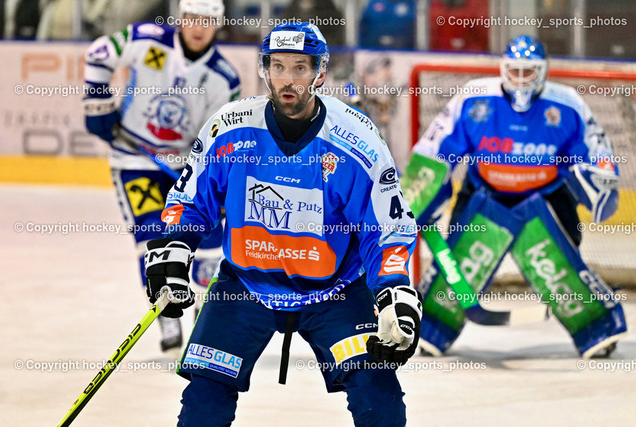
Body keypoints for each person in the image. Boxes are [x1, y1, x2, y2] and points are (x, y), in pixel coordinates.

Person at [143, 22, 421, 426]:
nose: (287, 79)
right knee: (203, 402)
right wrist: (175, 246)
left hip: (336, 291)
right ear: (265, 69)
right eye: (278, 66)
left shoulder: (356, 141)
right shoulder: (231, 127)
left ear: (320, 73)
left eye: (299, 68)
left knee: (380, 401)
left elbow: (385, 227)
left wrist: (394, 291)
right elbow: (191, 199)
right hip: (245, 285)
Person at [404, 35, 627, 359]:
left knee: (558, 267)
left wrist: (599, 175)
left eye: (529, 71)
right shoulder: (474, 98)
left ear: (543, 71)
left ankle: (597, 326)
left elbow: (595, 149)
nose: (521, 79)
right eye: (515, 71)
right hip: (485, 193)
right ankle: (431, 327)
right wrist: (420, 194)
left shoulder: (566, 104)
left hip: (547, 196)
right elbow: (435, 149)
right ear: (503, 69)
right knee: (464, 261)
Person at [83, 0, 240, 355]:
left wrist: (215, 182)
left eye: (208, 20)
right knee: (152, 236)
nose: (199, 27)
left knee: (209, 242)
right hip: (134, 160)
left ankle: (203, 310)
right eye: (192, 18)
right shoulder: (147, 40)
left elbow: (218, 139)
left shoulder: (224, 78)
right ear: (181, 18)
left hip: (187, 169)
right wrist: (96, 101)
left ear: (219, 24)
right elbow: (98, 53)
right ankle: (166, 313)